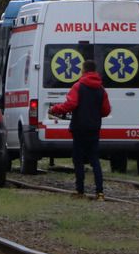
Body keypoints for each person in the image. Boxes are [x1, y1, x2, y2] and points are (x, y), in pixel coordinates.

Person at [48, 59, 112, 199]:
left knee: (78, 159)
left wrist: (55, 109)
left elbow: (70, 104)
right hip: (94, 128)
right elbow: (106, 110)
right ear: (95, 71)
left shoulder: (78, 86)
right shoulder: (101, 89)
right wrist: (94, 113)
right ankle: (100, 192)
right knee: (95, 159)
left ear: (84, 70)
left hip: (79, 128)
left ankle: (80, 191)